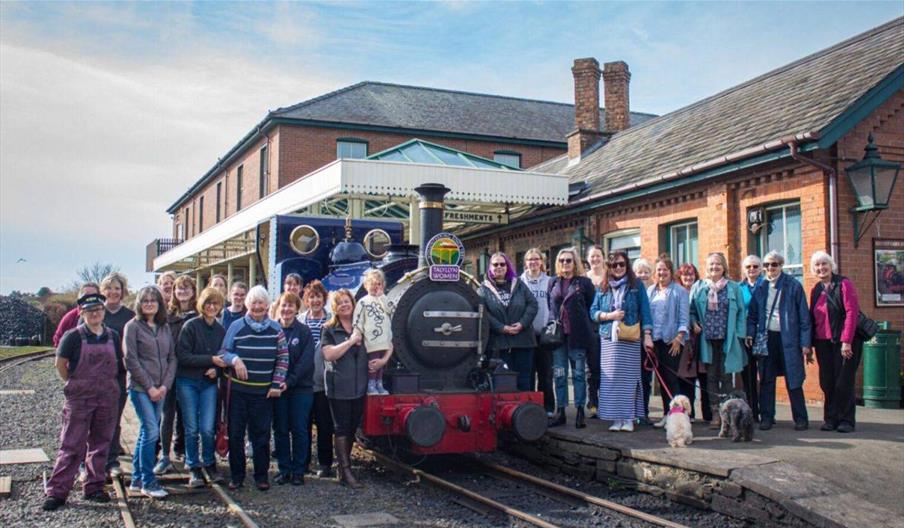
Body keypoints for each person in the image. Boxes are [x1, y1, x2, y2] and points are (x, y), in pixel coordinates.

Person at [43, 293, 124, 511]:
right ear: (82, 313)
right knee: (71, 445)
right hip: (79, 399)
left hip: (107, 398)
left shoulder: (113, 336)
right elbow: (60, 364)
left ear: (103, 311)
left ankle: (94, 487)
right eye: (90, 311)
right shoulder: (72, 337)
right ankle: (57, 492)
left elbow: (119, 364)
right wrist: (75, 383)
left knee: (100, 445)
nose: (95, 314)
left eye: (98, 309)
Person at [219, 285, 288, 490]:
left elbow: (283, 358)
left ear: (267, 305)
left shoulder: (276, 329)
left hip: (263, 393)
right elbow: (223, 352)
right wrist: (235, 359)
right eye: (254, 303)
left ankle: (261, 476)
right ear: (248, 304)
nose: (257, 307)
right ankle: (237, 476)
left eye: (261, 303)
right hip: (238, 392)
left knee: (261, 436)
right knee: (236, 435)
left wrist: (276, 384)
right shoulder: (236, 326)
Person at [747, 251, 811, 431]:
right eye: (766, 265)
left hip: (789, 339)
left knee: (793, 379)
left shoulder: (793, 285)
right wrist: (751, 333)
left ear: (781, 266)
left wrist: (805, 343)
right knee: (766, 379)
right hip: (767, 338)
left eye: (774, 264)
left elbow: (804, 317)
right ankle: (767, 417)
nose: (770, 268)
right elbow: (752, 315)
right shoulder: (761, 287)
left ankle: (800, 418)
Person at [591, 251, 654, 432]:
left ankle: (628, 419)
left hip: (630, 337)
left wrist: (647, 335)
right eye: (614, 265)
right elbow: (593, 312)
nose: (618, 268)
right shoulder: (603, 287)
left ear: (627, 266)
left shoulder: (636, 285)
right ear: (609, 268)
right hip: (609, 339)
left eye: (622, 264)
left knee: (628, 381)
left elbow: (645, 310)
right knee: (611, 380)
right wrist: (609, 315)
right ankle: (616, 418)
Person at [124, 286, 176, 499]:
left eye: (153, 300)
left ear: (159, 304)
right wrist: (150, 387)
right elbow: (131, 360)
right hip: (140, 389)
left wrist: (164, 386)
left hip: (161, 389)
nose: (149, 304)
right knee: (152, 432)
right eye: (145, 300)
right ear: (139, 303)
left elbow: (172, 358)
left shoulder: (164, 327)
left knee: (147, 433)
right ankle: (148, 481)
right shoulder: (132, 327)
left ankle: (137, 479)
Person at [175, 287, 228, 488]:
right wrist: (210, 360)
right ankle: (193, 465)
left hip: (208, 384)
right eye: (208, 303)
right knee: (191, 428)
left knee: (207, 428)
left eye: (216, 303)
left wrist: (217, 369)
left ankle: (209, 462)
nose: (212, 307)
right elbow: (183, 356)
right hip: (187, 381)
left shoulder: (220, 330)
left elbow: (224, 357)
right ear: (201, 305)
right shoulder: (190, 326)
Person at [690, 252, 747, 429]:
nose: (714, 267)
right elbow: (691, 311)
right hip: (707, 340)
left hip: (727, 340)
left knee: (727, 377)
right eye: (711, 264)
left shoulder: (733, 287)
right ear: (706, 267)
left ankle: (728, 414)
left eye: (718, 264)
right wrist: (694, 323)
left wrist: (739, 335)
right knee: (711, 377)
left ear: (724, 267)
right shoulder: (699, 287)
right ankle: (715, 413)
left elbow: (741, 313)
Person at [808, 251, 862, 433]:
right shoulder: (816, 289)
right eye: (817, 265)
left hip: (844, 342)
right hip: (822, 343)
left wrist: (846, 341)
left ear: (831, 266)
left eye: (824, 264)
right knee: (827, 382)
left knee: (843, 382)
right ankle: (830, 419)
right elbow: (812, 318)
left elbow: (852, 313)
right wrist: (809, 345)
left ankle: (846, 420)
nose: (821, 268)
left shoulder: (843, 284)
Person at [322, 289, 368, 489]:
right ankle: (346, 471)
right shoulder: (329, 329)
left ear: (353, 303)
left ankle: (343, 469)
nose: (344, 305)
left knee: (352, 427)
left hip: (359, 386)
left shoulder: (363, 326)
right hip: (339, 386)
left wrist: (382, 360)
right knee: (341, 427)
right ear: (335, 307)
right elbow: (329, 354)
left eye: (347, 301)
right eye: (340, 302)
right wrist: (350, 341)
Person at [547, 247, 596, 429]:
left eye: (568, 260)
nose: (565, 263)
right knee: (559, 374)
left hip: (578, 335)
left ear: (575, 262)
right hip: (558, 337)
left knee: (578, 374)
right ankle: (560, 411)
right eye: (562, 260)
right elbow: (551, 306)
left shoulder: (584, 283)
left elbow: (590, 306)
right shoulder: (553, 282)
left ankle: (580, 411)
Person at [155, 275, 197, 475]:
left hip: (191, 372)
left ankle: (189, 455)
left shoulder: (198, 314)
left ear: (193, 291)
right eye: (179, 288)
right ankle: (165, 456)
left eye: (187, 288)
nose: (183, 291)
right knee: (167, 415)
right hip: (169, 372)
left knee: (188, 416)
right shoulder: (166, 315)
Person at [273, 292, 315, 486]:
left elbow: (306, 361)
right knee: (280, 429)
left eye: (291, 305)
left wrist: (289, 381)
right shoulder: (273, 330)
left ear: (297, 309)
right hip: (278, 389)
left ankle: (298, 470)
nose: (286, 309)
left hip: (300, 388)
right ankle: (284, 469)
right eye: (284, 305)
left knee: (299, 429)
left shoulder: (304, 332)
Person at [480, 252, 538, 391]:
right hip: (499, 343)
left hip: (523, 340)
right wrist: (501, 327)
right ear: (490, 267)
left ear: (507, 267)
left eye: (502, 264)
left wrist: (522, 324)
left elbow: (532, 305)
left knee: (524, 378)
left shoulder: (519, 285)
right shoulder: (483, 289)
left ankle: (525, 404)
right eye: (495, 264)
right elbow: (484, 313)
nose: (499, 267)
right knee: (503, 380)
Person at [647, 255, 690, 428]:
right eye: (659, 270)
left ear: (671, 272)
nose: (662, 273)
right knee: (661, 380)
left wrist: (679, 338)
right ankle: (667, 415)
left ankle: (678, 418)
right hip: (654, 341)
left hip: (672, 342)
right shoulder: (650, 291)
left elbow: (684, 318)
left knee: (671, 379)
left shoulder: (680, 291)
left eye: (665, 269)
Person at [99, 272, 134, 477]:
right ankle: (95, 457)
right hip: (96, 375)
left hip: (119, 374)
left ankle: (112, 460)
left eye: (117, 288)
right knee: (97, 417)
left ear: (122, 291)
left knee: (114, 416)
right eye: (109, 288)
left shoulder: (130, 316)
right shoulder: (95, 312)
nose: (113, 292)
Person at [300, 280, 334, 478]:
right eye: (311, 297)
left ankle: (325, 463)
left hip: (324, 383)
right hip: (303, 383)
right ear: (306, 300)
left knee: (324, 425)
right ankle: (303, 461)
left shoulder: (331, 321)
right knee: (302, 425)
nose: (315, 300)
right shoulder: (300, 320)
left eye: (318, 296)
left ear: (324, 299)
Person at [520, 248, 554, 415]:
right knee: (528, 373)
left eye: (536, 259)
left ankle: (547, 407)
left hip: (545, 334)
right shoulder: (519, 282)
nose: (533, 262)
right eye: (530, 259)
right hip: (525, 334)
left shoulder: (550, 281)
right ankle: (529, 408)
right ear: (525, 263)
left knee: (545, 374)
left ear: (542, 262)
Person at [352, 269, 394, 396]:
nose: (375, 286)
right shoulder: (363, 301)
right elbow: (358, 318)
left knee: (381, 364)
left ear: (383, 285)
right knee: (373, 363)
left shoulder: (384, 300)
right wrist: (357, 331)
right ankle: (371, 384)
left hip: (384, 339)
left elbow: (391, 309)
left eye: (378, 284)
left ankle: (379, 383)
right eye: (372, 283)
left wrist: (382, 297)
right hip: (372, 340)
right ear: (366, 285)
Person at [677, 264, 708, 421]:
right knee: (686, 377)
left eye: (691, 274)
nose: (688, 278)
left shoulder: (701, 290)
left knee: (704, 376)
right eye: (685, 275)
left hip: (701, 339)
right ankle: (689, 413)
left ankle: (708, 413)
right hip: (686, 341)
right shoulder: (678, 292)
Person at [739, 255, 764, 422]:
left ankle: (767, 412)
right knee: (748, 376)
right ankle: (752, 412)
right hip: (744, 336)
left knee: (765, 375)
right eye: (748, 267)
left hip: (763, 335)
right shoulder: (739, 288)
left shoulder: (766, 285)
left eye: (755, 266)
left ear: (760, 268)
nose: (752, 269)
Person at [585, 245, 607, 417]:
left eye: (598, 255)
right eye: (592, 256)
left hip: (608, 327)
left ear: (603, 257)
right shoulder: (584, 278)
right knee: (592, 368)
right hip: (590, 329)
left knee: (608, 367)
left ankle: (607, 402)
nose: (595, 259)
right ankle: (593, 402)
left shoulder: (610, 276)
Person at [631, 258, 654, 423]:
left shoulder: (655, 290)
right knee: (633, 377)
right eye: (640, 272)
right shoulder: (632, 290)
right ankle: (633, 411)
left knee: (646, 378)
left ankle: (644, 411)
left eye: (646, 272)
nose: (643, 275)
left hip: (650, 340)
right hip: (633, 338)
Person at [53, 282, 99, 347]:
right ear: (79, 298)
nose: (89, 298)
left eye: (93, 296)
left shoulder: (103, 316)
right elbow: (58, 339)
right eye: (86, 295)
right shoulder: (69, 318)